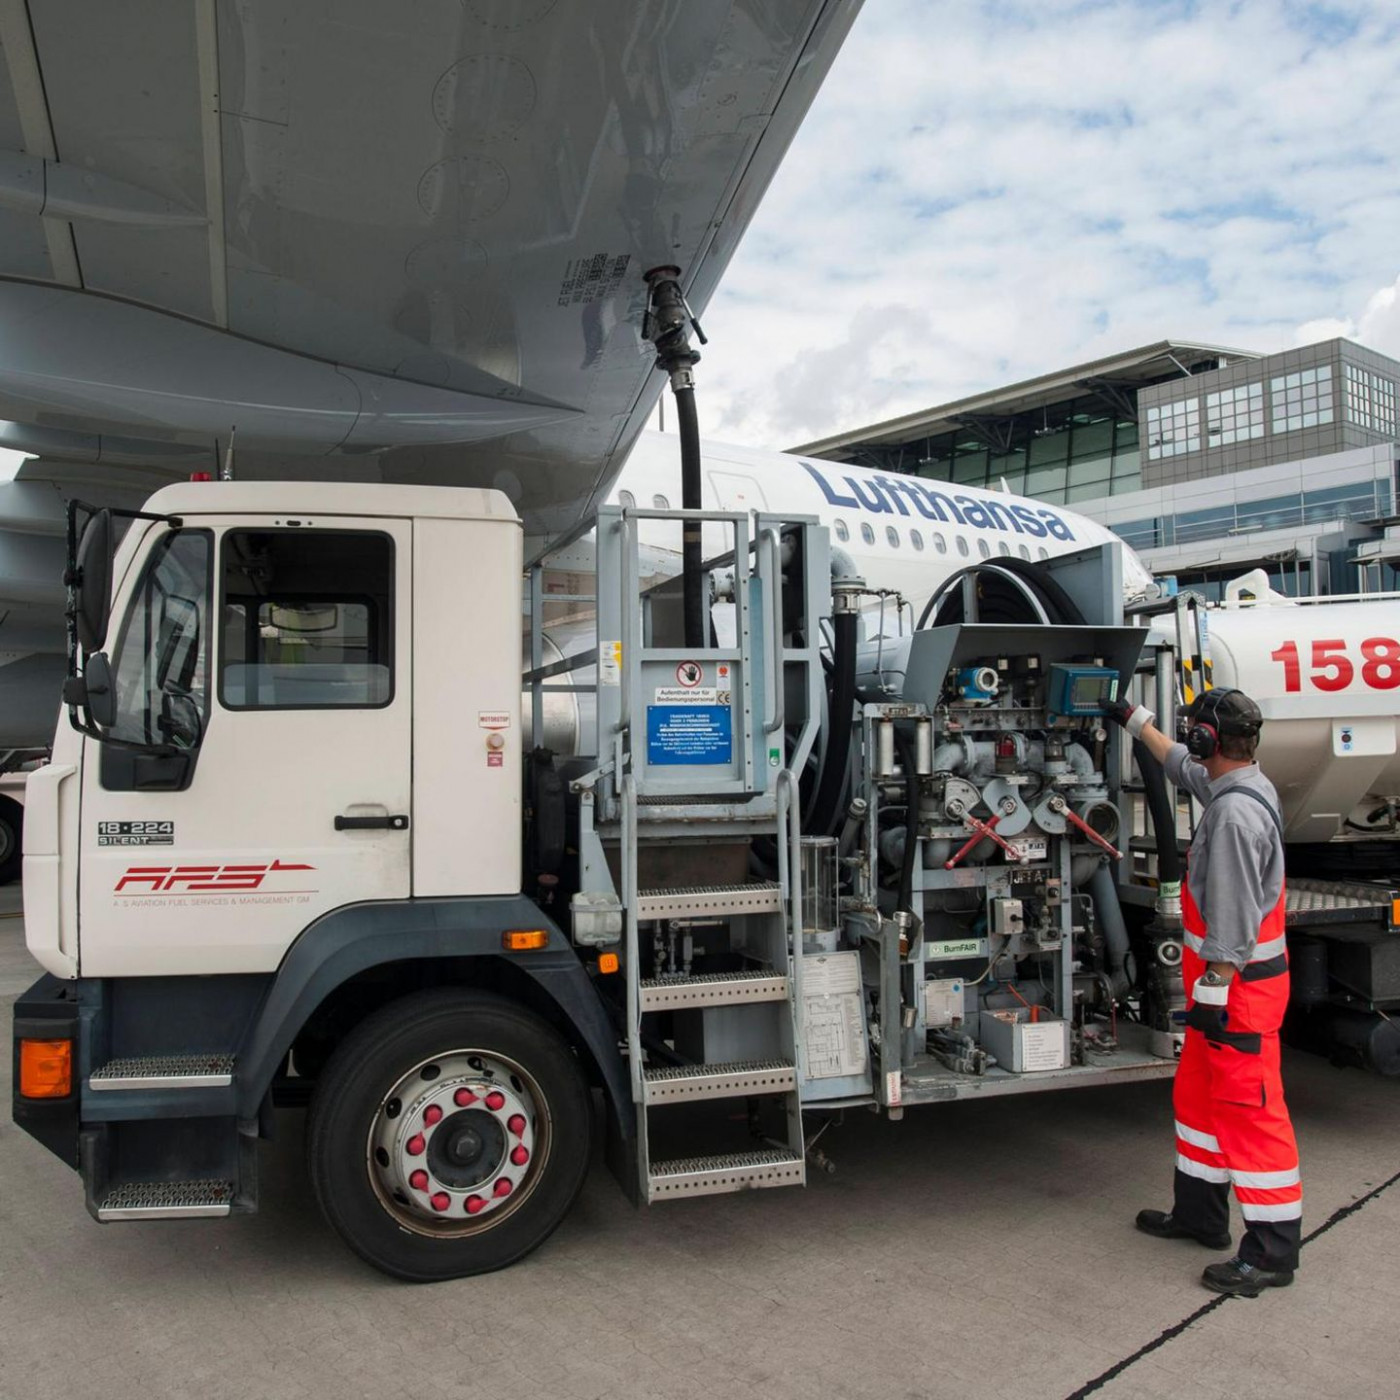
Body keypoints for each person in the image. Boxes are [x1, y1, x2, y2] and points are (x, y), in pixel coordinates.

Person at [1106, 686, 1301, 1297]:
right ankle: (1200, 1216)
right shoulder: (1235, 785)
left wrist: (1214, 991)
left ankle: (1271, 1252)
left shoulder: (1238, 816)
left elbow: (1236, 922)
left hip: (1238, 993)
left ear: (1209, 739)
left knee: (1250, 1116)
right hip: (1219, 990)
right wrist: (1135, 721)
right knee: (1198, 1104)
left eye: (1193, 731)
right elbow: (1179, 767)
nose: (1189, 741)